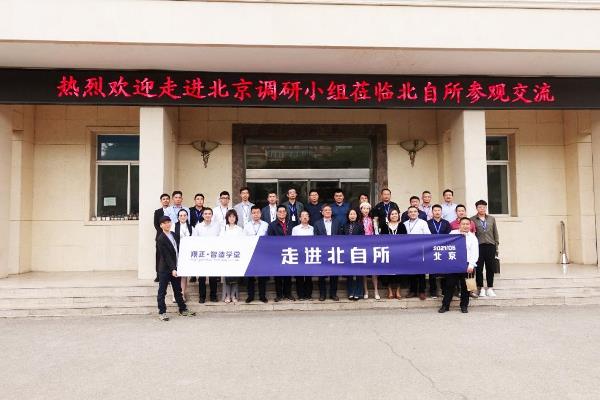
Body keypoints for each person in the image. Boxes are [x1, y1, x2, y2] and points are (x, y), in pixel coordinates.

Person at [155, 216, 195, 321]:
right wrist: (173, 268)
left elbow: (180, 250)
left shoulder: (174, 235)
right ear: (161, 225)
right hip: (165, 269)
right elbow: (166, 256)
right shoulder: (160, 238)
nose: (167, 224)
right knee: (162, 291)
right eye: (165, 223)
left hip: (176, 267)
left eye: (169, 222)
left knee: (178, 290)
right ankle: (162, 312)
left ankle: (183, 309)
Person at [439, 217, 478, 313]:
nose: (465, 226)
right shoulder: (453, 234)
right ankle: (445, 306)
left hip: (468, 265)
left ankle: (464, 306)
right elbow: (446, 246)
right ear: (459, 225)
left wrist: (471, 265)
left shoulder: (473, 237)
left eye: (467, 224)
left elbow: (475, 252)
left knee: (467, 287)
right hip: (454, 263)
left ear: (470, 226)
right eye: (463, 224)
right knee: (449, 285)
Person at [313, 204, 343, 301]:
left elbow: (340, 236)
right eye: (325, 210)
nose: (328, 211)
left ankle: (333, 294)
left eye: (329, 210)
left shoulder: (337, 222)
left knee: (334, 274)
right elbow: (315, 237)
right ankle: (322, 294)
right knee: (321, 274)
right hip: (322, 251)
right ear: (322, 212)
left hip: (334, 251)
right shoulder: (317, 223)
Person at [471, 200, 499, 298]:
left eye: (483, 207)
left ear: (486, 208)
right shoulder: (472, 219)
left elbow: (495, 233)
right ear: (476, 208)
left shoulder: (491, 219)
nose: (482, 209)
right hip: (478, 246)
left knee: (490, 268)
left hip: (490, 245)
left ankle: (490, 288)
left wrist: (496, 246)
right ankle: (481, 288)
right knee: (479, 268)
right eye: (480, 207)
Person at [267, 205, 296, 301]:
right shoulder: (272, 225)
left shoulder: (291, 224)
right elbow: (270, 240)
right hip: (277, 253)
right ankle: (279, 295)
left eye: (284, 211)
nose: (282, 213)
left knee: (288, 274)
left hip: (289, 252)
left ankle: (288, 294)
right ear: (276, 213)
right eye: (280, 211)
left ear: (286, 213)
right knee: (278, 275)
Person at [192, 208, 220, 303]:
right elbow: (194, 240)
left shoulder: (217, 226)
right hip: (202, 255)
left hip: (213, 254)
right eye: (206, 214)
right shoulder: (198, 226)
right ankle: (202, 297)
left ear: (212, 215)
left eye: (209, 213)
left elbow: (220, 239)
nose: (207, 215)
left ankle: (213, 296)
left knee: (213, 277)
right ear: (203, 215)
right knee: (202, 278)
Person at [380, 209, 407, 299]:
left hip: (399, 252)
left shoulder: (402, 225)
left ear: (398, 215)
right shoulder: (384, 226)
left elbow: (405, 239)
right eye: (392, 214)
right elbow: (381, 239)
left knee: (400, 271)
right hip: (387, 252)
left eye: (396, 214)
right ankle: (390, 291)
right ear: (389, 216)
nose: (394, 215)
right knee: (387, 271)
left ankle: (398, 291)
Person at [404, 206, 431, 300]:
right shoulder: (405, 223)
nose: (413, 213)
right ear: (408, 214)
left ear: (418, 213)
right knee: (411, 271)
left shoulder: (423, 223)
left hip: (420, 249)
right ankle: (413, 291)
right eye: (410, 212)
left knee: (421, 272)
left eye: (415, 211)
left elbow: (428, 236)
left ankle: (422, 291)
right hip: (409, 250)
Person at [244, 205, 269, 303]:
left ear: (261, 214)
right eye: (254, 213)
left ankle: (262, 296)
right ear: (251, 214)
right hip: (250, 253)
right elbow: (244, 239)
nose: (256, 214)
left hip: (262, 253)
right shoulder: (247, 225)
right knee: (250, 276)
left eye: (257, 212)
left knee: (262, 276)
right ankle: (250, 296)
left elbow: (268, 238)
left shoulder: (266, 225)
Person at [426, 204, 452, 299]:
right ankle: (433, 292)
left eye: (438, 210)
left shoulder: (446, 223)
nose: (437, 212)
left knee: (445, 270)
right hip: (431, 249)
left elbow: (449, 235)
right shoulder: (427, 223)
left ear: (441, 212)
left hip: (443, 248)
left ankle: (445, 290)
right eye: (435, 210)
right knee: (432, 270)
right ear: (432, 212)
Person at [221, 209, 244, 303]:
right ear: (227, 218)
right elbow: (220, 241)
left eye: (233, 216)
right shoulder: (223, 228)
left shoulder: (239, 229)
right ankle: (227, 296)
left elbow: (242, 241)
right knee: (227, 277)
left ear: (236, 218)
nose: (231, 218)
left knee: (235, 277)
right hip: (226, 256)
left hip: (236, 256)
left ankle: (233, 295)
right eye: (230, 216)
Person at [291, 210, 314, 300]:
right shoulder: (295, 229)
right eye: (303, 215)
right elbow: (293, 242)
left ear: (309, 218)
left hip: (310, 254)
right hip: (299, 254)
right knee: (299, 276)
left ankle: (308, 295)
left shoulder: (312, 228)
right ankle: (300, 295)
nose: (305, 217)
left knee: (308, 276)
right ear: (300, 218)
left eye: (306, 215)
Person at [360, 202, 380, 300]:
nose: (366, 210)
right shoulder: (359, 220)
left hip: (372, 245)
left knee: (373, 269)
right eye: (364, 208)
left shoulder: (373, 220)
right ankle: (366, 291)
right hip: (361, 246)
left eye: (367, 208)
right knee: (364, 270)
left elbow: (376, 233)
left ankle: (376, 290)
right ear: (361, 210)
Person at [343, 209, 365, 300]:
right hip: (347, 252)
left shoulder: (360, 225)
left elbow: (363, 238)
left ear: (357, 215)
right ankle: (351, 292)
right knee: (349, 273)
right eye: (350, 214)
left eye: (354, 214)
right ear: (348, 216)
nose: (352, 216)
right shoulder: (345, 226)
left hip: (358, 251)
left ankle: (359, 293)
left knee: (359, 273)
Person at [173, 209, 193, 301]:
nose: (183, 217)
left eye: (184, 215)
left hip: (186, 254)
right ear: (178, 217)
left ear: (187, 217)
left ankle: (182, 294)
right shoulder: (174, 226)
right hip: (176, 253)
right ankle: (175, 295)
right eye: (181, 215)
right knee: (176, 274)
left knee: (184, 274)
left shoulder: (191, 227)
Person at [187, 193, 206, 283]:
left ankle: (202, 274)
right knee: (193, 255)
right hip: (192, 235)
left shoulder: (206, 210)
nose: (199, 200)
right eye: (198, 199)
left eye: (201, 199)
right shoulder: (190, 210)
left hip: (203, 235)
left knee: (202, 255)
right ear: (194, 200)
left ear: (203, 201)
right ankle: (193, 275)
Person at [153, 193, 171, 282]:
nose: (165, 200)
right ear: (161, 201)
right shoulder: (157, 212)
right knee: (159, 256)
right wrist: (163, 234)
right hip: (160, 237)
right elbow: (156, 225)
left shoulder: (172, 210)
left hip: (170, 237)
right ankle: (158, 275)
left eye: (167, 199)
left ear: (169, 200)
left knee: (170, 256)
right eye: (164, 199)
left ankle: (170, 276)